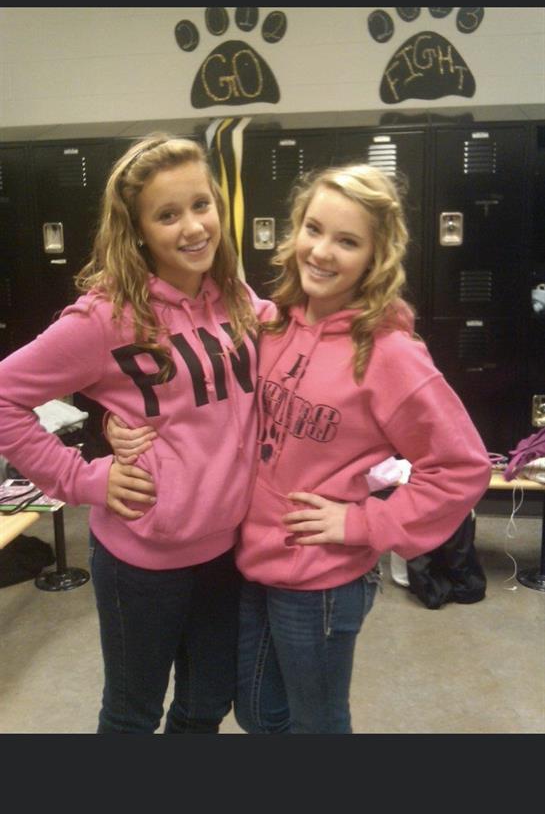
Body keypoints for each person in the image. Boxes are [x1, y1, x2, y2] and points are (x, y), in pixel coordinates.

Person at [108, 162, 492, 734]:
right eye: (314, 229)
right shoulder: (272, 325)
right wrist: (128, 423)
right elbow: (204, 399)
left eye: (347, 241)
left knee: (317, 723)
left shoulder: (389, 353)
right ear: (296, 231)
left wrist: (363, 524)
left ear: (375, 255)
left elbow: (462, 468)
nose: (322, 252)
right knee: (261, 713)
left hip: (322, 580)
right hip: (252, 560)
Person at [0, 134, 271, 733]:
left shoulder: (236, 297)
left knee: (205, 706)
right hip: (143, 559)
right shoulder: (104, 318)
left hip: (228, 547)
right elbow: (5, 396)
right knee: (133, 712)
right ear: (138, 230)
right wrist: (82, 478)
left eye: (201, 205)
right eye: (167, 214)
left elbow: (294, 353)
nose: (193, 227)